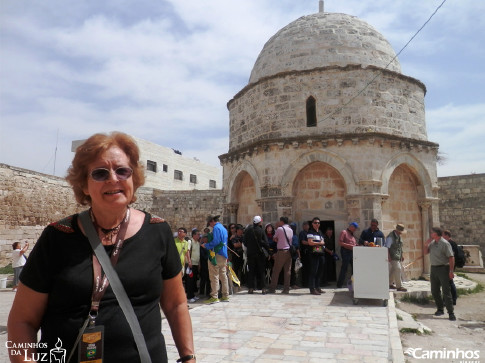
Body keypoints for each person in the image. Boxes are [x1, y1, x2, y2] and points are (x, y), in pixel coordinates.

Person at [7, 132, 195, 363]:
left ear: (133, 178)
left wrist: (188, 357)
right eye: (100, 173)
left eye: (122, 170)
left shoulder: (158, 231)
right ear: (84, 185)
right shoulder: (57, 237)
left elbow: (176, 304)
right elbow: (21, 320)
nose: (113, 179)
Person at [426, 227, 456, 321]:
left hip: (443, 268)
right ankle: (440, 309)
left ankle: (451, 313)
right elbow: (425, 252)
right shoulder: (432, 243)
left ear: (436, 233)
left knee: (446, 291)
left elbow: (451, 257)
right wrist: (426, 244)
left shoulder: (445, 244)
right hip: (434, 268)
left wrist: (451, 271)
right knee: (434, 290)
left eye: (432, 233)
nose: (431, 234)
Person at [202, 215, 229, 304]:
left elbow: (216, 241)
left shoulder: (216, 228)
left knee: (214, 275)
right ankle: (225, 296)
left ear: (212, 221)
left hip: (216, 254)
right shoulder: (224, 229)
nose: (210, 225)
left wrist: (206, 245)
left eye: (210, 222)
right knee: (223, 275)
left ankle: (214, 296)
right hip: (223, 254)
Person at [243, 216, 270, 294]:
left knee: (251, 271)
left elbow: (244, 242)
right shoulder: (261, 231)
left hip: (250, 253)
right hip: (259, 254)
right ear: (259, 222)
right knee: (261, 271)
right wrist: (268, 251)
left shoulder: (248, 231)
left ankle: (251, 288)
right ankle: (263, 288)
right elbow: (266, 243)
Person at [268, 216, 293, 294]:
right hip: (289, 251)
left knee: (276, 270)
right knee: (287, 271)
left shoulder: (280, 229)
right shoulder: (291, 230)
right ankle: (286, 289)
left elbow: (275, 238)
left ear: (282, 222)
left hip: (281, 251)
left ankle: (272, 288)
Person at [385, 224, 407, 292]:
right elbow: (387, 247)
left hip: (397, 256)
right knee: (398, 269)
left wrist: (402, 255)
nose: (401, 233)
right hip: (392, 256)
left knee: (393, 270)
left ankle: (389, 284)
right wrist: (388, 256)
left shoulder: (398, 237)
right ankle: (399, 286)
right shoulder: (390, 237)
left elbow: (400, 247)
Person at [307, 217, 326, 295]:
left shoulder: (320, 232)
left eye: (318, 223)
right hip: (314, 254)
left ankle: (318, 287)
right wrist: (319, 243)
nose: (317, 224)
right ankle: (312, 288)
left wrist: (321, 243)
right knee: (313, 271)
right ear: (312, 224)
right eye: (315, 222)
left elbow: (323, 242)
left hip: (321, 253)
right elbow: (310, 243)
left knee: (320, 271)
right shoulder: (310, 232)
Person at [336, 222, 359, 288]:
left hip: (352, 252)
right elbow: (340, 242)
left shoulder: (352, 235)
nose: (355, 230)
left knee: (354, 268)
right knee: (344, 268)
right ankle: (339, 284)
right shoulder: (344, 232)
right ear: (351, 226)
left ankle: (353, 284)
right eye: (355, 228)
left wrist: (357, 245)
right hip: (345, 251)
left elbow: (354, 244)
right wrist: (350, 245)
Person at [443, 230, 458, 305]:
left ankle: (449, 299)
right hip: (450, 265)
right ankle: (453, 299)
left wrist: (451, 269)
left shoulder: (450, 244)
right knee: (449, 282)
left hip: (449, 265)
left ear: (447, 236)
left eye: (443, 235)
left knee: (448, 283)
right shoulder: (453, 243)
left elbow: (451, 256)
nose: (442, 237)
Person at [187, 229, 201, 303]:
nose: (199, 236)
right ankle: (189, 296)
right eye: (198, 234)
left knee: (194, 280)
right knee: (190, 281)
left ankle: (193, 295)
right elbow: (188, 251)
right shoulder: (190, 241)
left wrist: (199, 264)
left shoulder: (198, 243)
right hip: (191, 264)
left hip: (196, 264)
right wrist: (189, 261)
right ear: (194, 235)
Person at [298, 221, 311, 287]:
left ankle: (309, 282)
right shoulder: (302, 233)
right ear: (303, 226)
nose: (306, 226)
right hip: (305, 252)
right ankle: (305, 283)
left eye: (307, 225)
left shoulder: (310, 233)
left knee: (310, 268)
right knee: (305, 268)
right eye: (305, 225)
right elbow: (303, 242)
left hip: (310, 252)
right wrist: (311, 243)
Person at [198, 233, 211, 298]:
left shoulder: (209, 245)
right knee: (203, 279)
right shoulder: (202, 246)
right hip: (204, 264)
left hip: (209, 265)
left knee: (208, 279)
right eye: (205, 238)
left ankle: (208, 292)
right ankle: (201, 292)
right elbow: (203, 256)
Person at [289, 223, 300, 289]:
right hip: (293, 256)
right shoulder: (295, 236)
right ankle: (293, 284)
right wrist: (299, 255)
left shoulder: (289, 235)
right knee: (293, 271)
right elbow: (296, 247)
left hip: (289, 255)